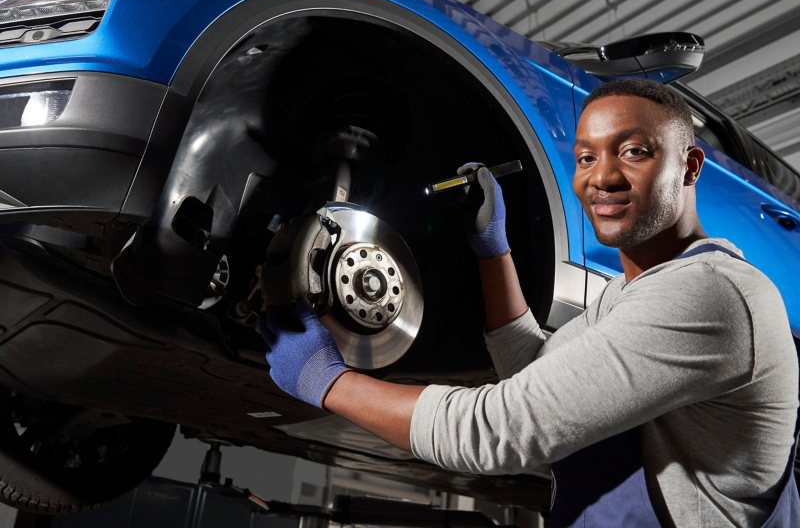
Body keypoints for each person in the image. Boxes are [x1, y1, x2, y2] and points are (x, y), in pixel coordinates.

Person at [259, 78, 800, 528]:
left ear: (691, 165)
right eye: (586, 156)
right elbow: (534, 373)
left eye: (634, 151)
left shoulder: (710, 294)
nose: (602, 177)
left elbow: (500, 431)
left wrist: (325, 381)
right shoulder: (627, 294)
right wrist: (492, 247)